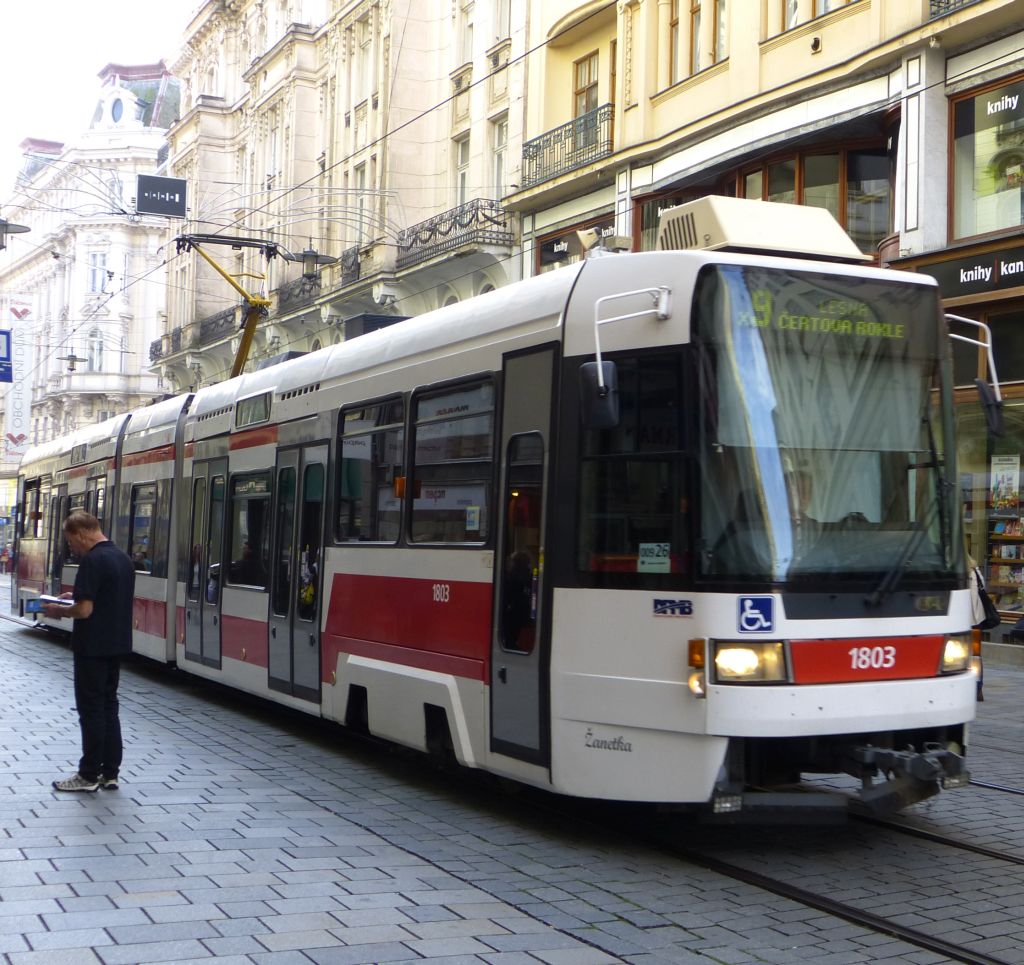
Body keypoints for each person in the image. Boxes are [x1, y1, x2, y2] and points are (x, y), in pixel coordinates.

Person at [43, 511, 135, 793]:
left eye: (71, 541)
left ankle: (88, 774)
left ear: (81, 534)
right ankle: (110, 773)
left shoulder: (92, 560)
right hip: (116, 644)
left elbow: (85, 610)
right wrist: (75, 596)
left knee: (91, 709)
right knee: (109, 707)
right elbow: (106, 596)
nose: (72, 548)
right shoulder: (123, 558)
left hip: (92, 646)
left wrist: (58, 611)